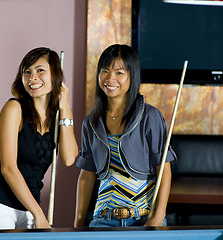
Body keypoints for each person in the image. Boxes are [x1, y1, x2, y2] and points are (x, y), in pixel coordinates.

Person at [0, 47, 78, 230]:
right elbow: (8, 169)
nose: (32, 78)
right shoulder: (13, 109)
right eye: (27, 72)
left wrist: (65, 108)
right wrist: (38, 213)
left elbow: (69, 158)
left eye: (40, 70)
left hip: (30, 206)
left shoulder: (57, 117)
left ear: (55, 75)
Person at [74, 44, 176, 228]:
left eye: (119, 72)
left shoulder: (149, 116)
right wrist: (79, 221)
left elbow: (164, 169)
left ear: (132, 76)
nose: (110, 78)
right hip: (103, 219)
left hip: (143, 219)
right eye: (105, 71)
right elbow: (86, 174)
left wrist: (158, 217)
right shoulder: (91, 122)